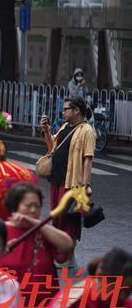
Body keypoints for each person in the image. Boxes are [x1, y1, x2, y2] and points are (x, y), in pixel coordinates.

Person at [0, 182, 73, 308]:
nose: (33, 210)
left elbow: (67, 244)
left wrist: (37, 224)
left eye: (37, 206)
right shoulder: (1, 231)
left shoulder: (44, 231)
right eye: (28, 206)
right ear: (15, 207)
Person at [40, 96, 96, 268]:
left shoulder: (87, 131)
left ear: (76, 110)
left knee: (68, 220)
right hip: (57, 180)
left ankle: (66, 256)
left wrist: (85, 187)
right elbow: (52, 148)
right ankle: (63, 255)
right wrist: (47, 131)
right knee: (56, 218)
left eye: (66, 109)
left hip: (72, 184)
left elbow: (88, 160)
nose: (63, 112)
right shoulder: (65, 127)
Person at [36, 248, 132, 308]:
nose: (122, 297)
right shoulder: (70, 302)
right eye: (117, 290)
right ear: (99, 275)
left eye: (128, 291)